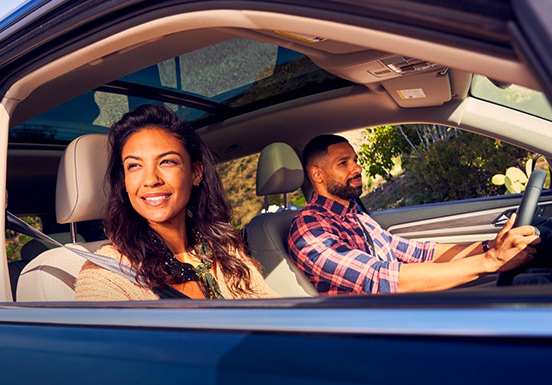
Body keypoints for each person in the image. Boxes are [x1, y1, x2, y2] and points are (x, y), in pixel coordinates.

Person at [287, 134, 541, 295]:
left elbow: (419, 253)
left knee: (530, 286)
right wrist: (491, 260)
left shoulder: (354, 214)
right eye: (343, 163)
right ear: (317, 175)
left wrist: (489, 246)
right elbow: (379, 279)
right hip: (379, 331)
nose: (357, 168)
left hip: (403, 310)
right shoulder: (309, 230)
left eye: (355, 159)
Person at [76, 104, 278, 300]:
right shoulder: (105, 274)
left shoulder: (225, 250)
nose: (151, 180)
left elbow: (275, 316)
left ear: (196, 173)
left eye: (167, 162)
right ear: (124, 182)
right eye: (135, 166)